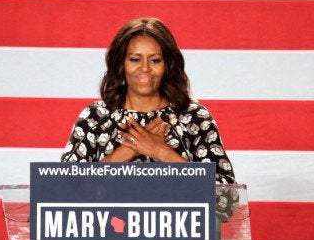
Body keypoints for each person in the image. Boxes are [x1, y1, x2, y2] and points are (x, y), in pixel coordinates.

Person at [60, 17, 237, 218]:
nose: (144, 68)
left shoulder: (194, 118)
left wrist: (162, 152)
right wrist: (124, 152)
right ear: (121, 64)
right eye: (135, 59)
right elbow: (61, 195)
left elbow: (227, 203)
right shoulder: (95, 118)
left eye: (155, 60)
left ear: (167, 65)